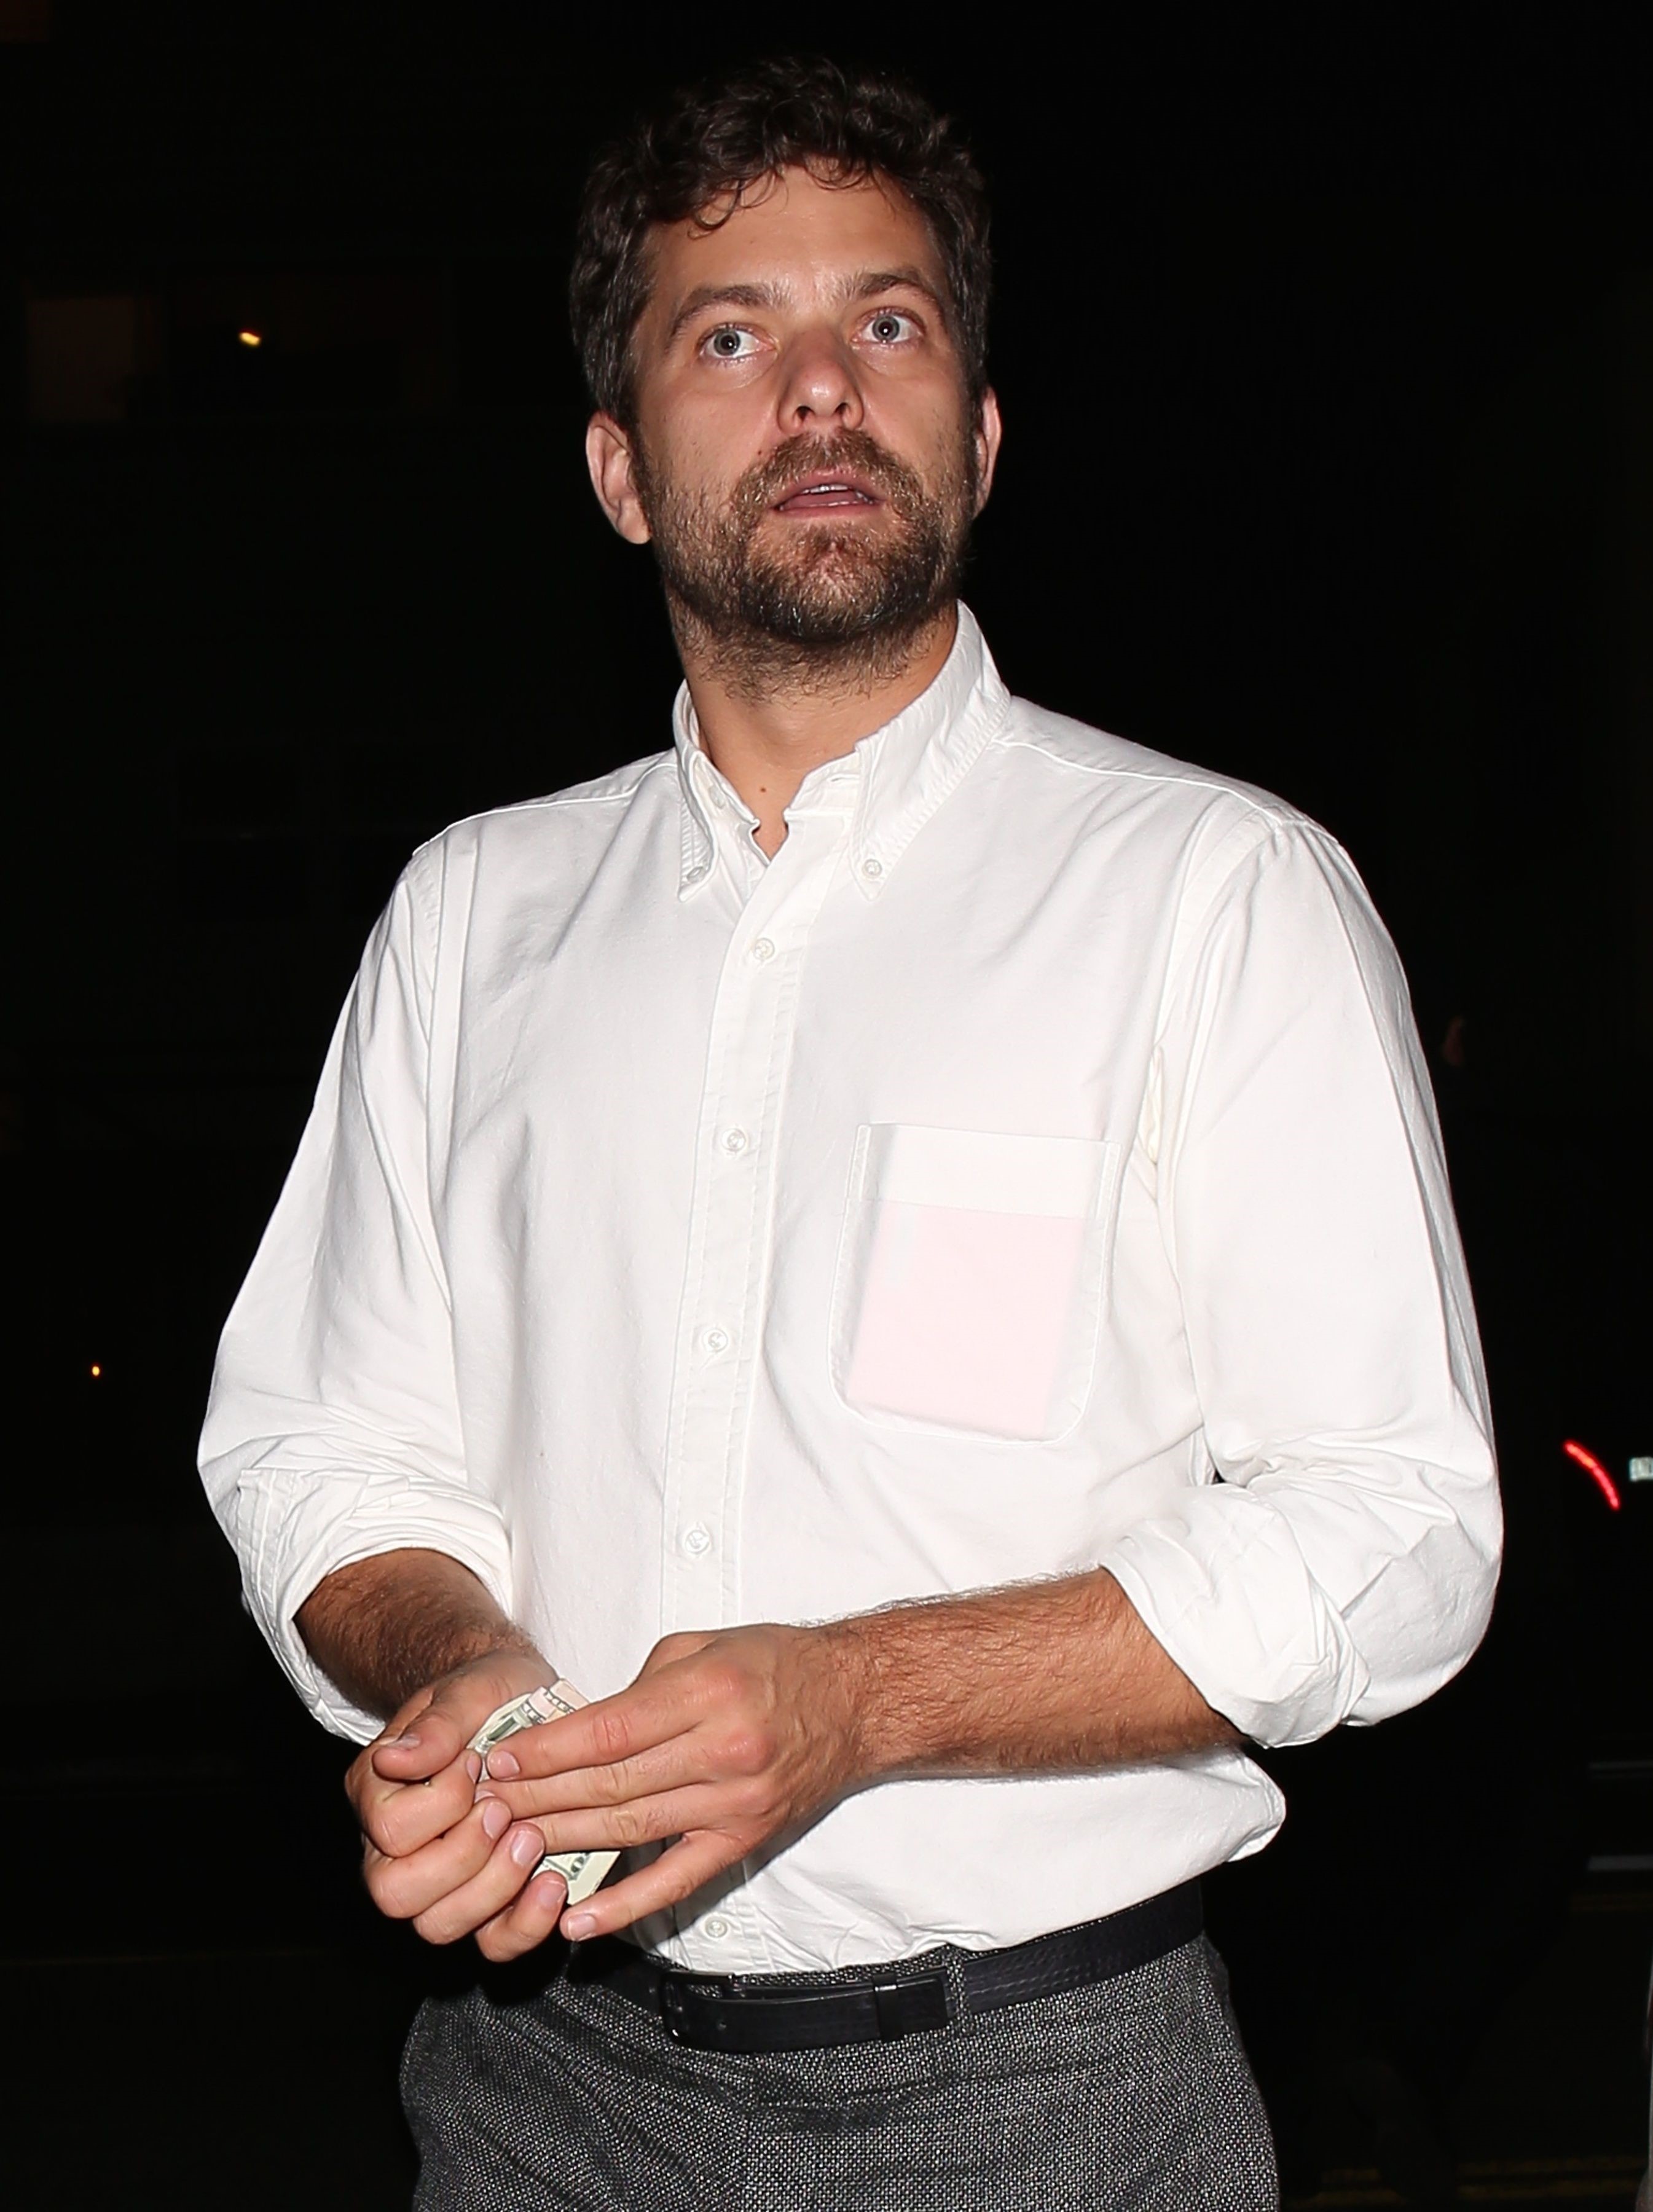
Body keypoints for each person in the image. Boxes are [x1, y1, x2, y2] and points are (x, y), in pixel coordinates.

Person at [199, 55, 1501, 2212]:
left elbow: (1395, 1526)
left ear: (975, 436)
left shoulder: (1212, 892)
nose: (819, 387)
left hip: (1049, 2098)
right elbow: (320, 1442)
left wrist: (861, 1700)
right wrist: (457, 1672)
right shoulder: (472, 914)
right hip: (541, 2098)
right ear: (619, 470)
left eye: (884, 323)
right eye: (730, 337)